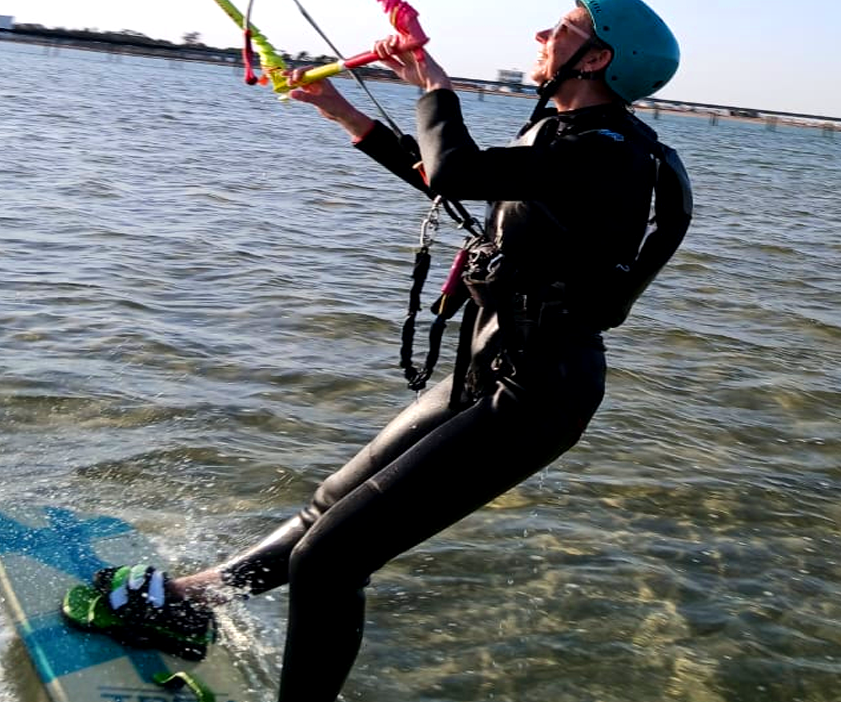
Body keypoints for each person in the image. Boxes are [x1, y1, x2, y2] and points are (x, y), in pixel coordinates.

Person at [65, 2, 692, 700]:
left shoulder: (608, 151)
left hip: (541, 392)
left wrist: (434, 81)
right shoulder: (575, 134)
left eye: (562, 29)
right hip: (489, 368)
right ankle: (191, 601)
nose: (542, 35)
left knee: (331, 561)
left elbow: (454, 168)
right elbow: (452, 175)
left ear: (597, 58)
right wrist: (338, 107)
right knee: (327, 511)